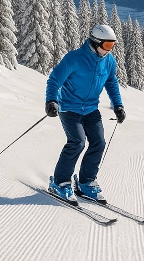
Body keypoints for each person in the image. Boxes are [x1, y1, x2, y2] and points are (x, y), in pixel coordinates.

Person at [45, 24, 126, 205]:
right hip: (69, 108)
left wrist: (118, 105)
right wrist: (51, 100)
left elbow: (111, 82)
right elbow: (54, 79)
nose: (109, 50)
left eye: (112, 45)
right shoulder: (74, 58)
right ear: (95, 42)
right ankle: (60, 182)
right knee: (77, 142)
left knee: (99, 141)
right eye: (107, 45)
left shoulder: (109, 61)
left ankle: (85, 182)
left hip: (91, 109)